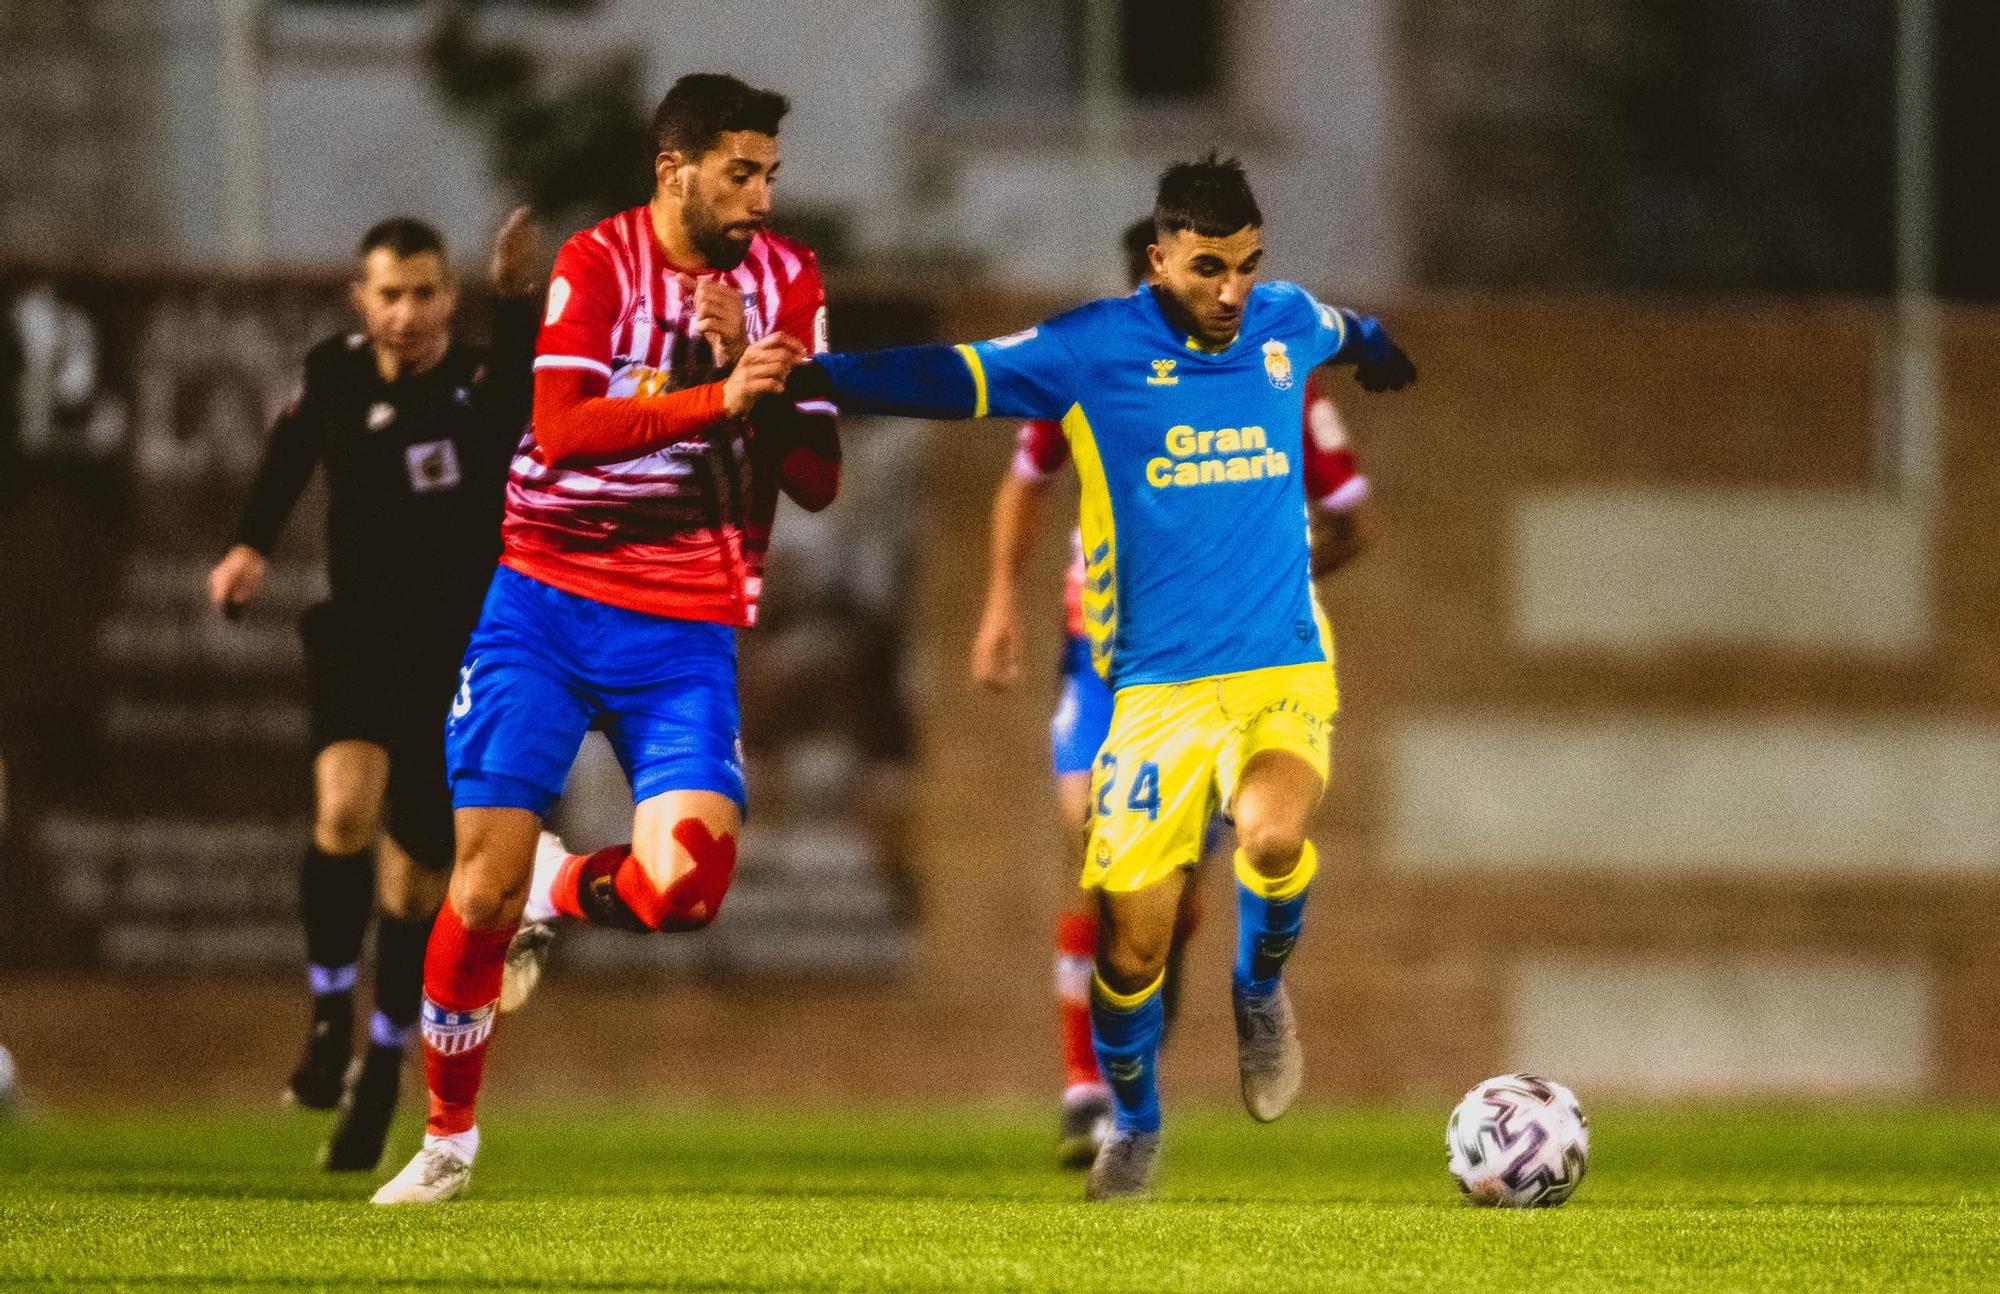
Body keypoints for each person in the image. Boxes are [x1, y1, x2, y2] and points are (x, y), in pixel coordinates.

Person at [790, 154, 1415, 1200]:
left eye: (1247, 268)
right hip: (1153, 697)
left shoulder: (1281, 322)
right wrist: (817, 374)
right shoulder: (1090, 350)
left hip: (1280, 668)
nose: (1230, 292)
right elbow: (952, 374)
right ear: (1159, 256)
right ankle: (1132, 1117)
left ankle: (1258, 990)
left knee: (1270, 835)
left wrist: (1380, 344)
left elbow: (1340, 325)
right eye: (1209, 268)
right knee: (1130, 949)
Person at [371, 73, 839, 1205]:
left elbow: (817, 478)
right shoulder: (597, 261)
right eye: (741, 172)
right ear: (674, 170)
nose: (761, 198)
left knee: (687, 890)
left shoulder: (789, 281)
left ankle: (560, 886)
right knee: (472, 889)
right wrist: (712, 396)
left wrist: (757, 386)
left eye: (770, 173)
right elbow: (561, 430)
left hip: (684, 627)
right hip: (544, 600)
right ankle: (445, 1138)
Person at [969, 217, 1375, 1169]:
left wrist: (1263, 565)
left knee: (1186, 894)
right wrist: (1000, 601)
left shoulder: (1275, 377)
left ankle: (1159, 1058)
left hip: (1227, 666)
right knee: (1094, 850)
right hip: (1102, 662)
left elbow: (1354, 520)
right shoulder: (1091, 365)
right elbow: (1026, 481)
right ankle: (1092, 1097)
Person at [207, 210, 542, 1171]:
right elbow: (290, 456)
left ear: (449, 296)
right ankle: (324, 1019)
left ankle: (383, 1066)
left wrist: (517, 297)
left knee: (411, 883)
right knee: (342, 813)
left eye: (426, 291)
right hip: (360, 635)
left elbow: (526, 394)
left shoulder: (478, 385)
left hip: (455, 653)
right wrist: (249, 545)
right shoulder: (336, 373)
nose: (407, 312)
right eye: (389, 293)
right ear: (362, 299)